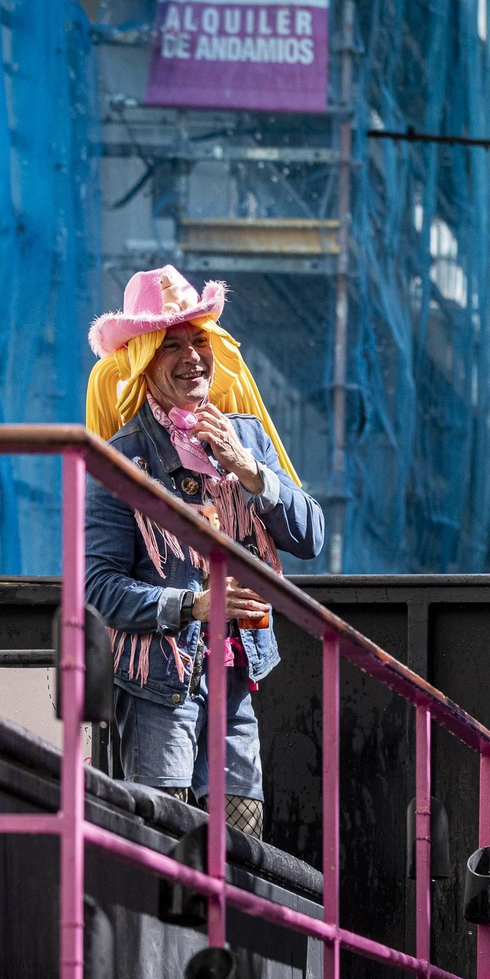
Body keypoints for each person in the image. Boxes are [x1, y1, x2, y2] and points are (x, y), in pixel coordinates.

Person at [84, 266, 325, 835]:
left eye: (199, 341)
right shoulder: (120, 460)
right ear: (144, 359)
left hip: (237, 681)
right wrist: (191, 606)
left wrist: (249, 469)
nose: (193, 356)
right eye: (173, 345)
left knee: (242, 851)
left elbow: (311, 537)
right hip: (157, 689)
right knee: (162, 847)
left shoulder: (248, 437)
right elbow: (97, 588)